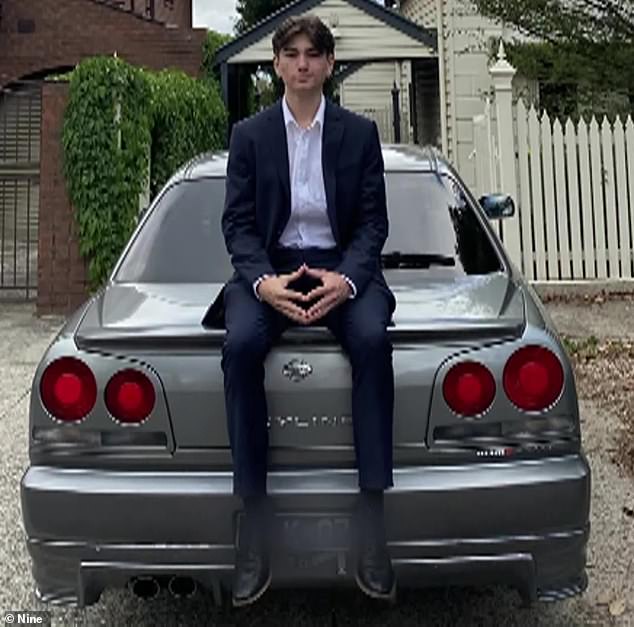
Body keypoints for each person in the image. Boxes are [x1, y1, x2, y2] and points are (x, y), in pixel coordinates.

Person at [219, 14, 396, 607]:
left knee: (373, 339)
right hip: (272, 270)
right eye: (290, 54)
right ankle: (256, 524)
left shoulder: (359, 133)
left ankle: (371, 521)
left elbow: (373, 223)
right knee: (239, 345)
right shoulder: (248, 136)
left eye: (312, 54)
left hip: (338, 266)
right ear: (276, 64)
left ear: (328, 64)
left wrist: (346, 279)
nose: (301, 64)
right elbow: (238, 225)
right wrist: (263, 283)